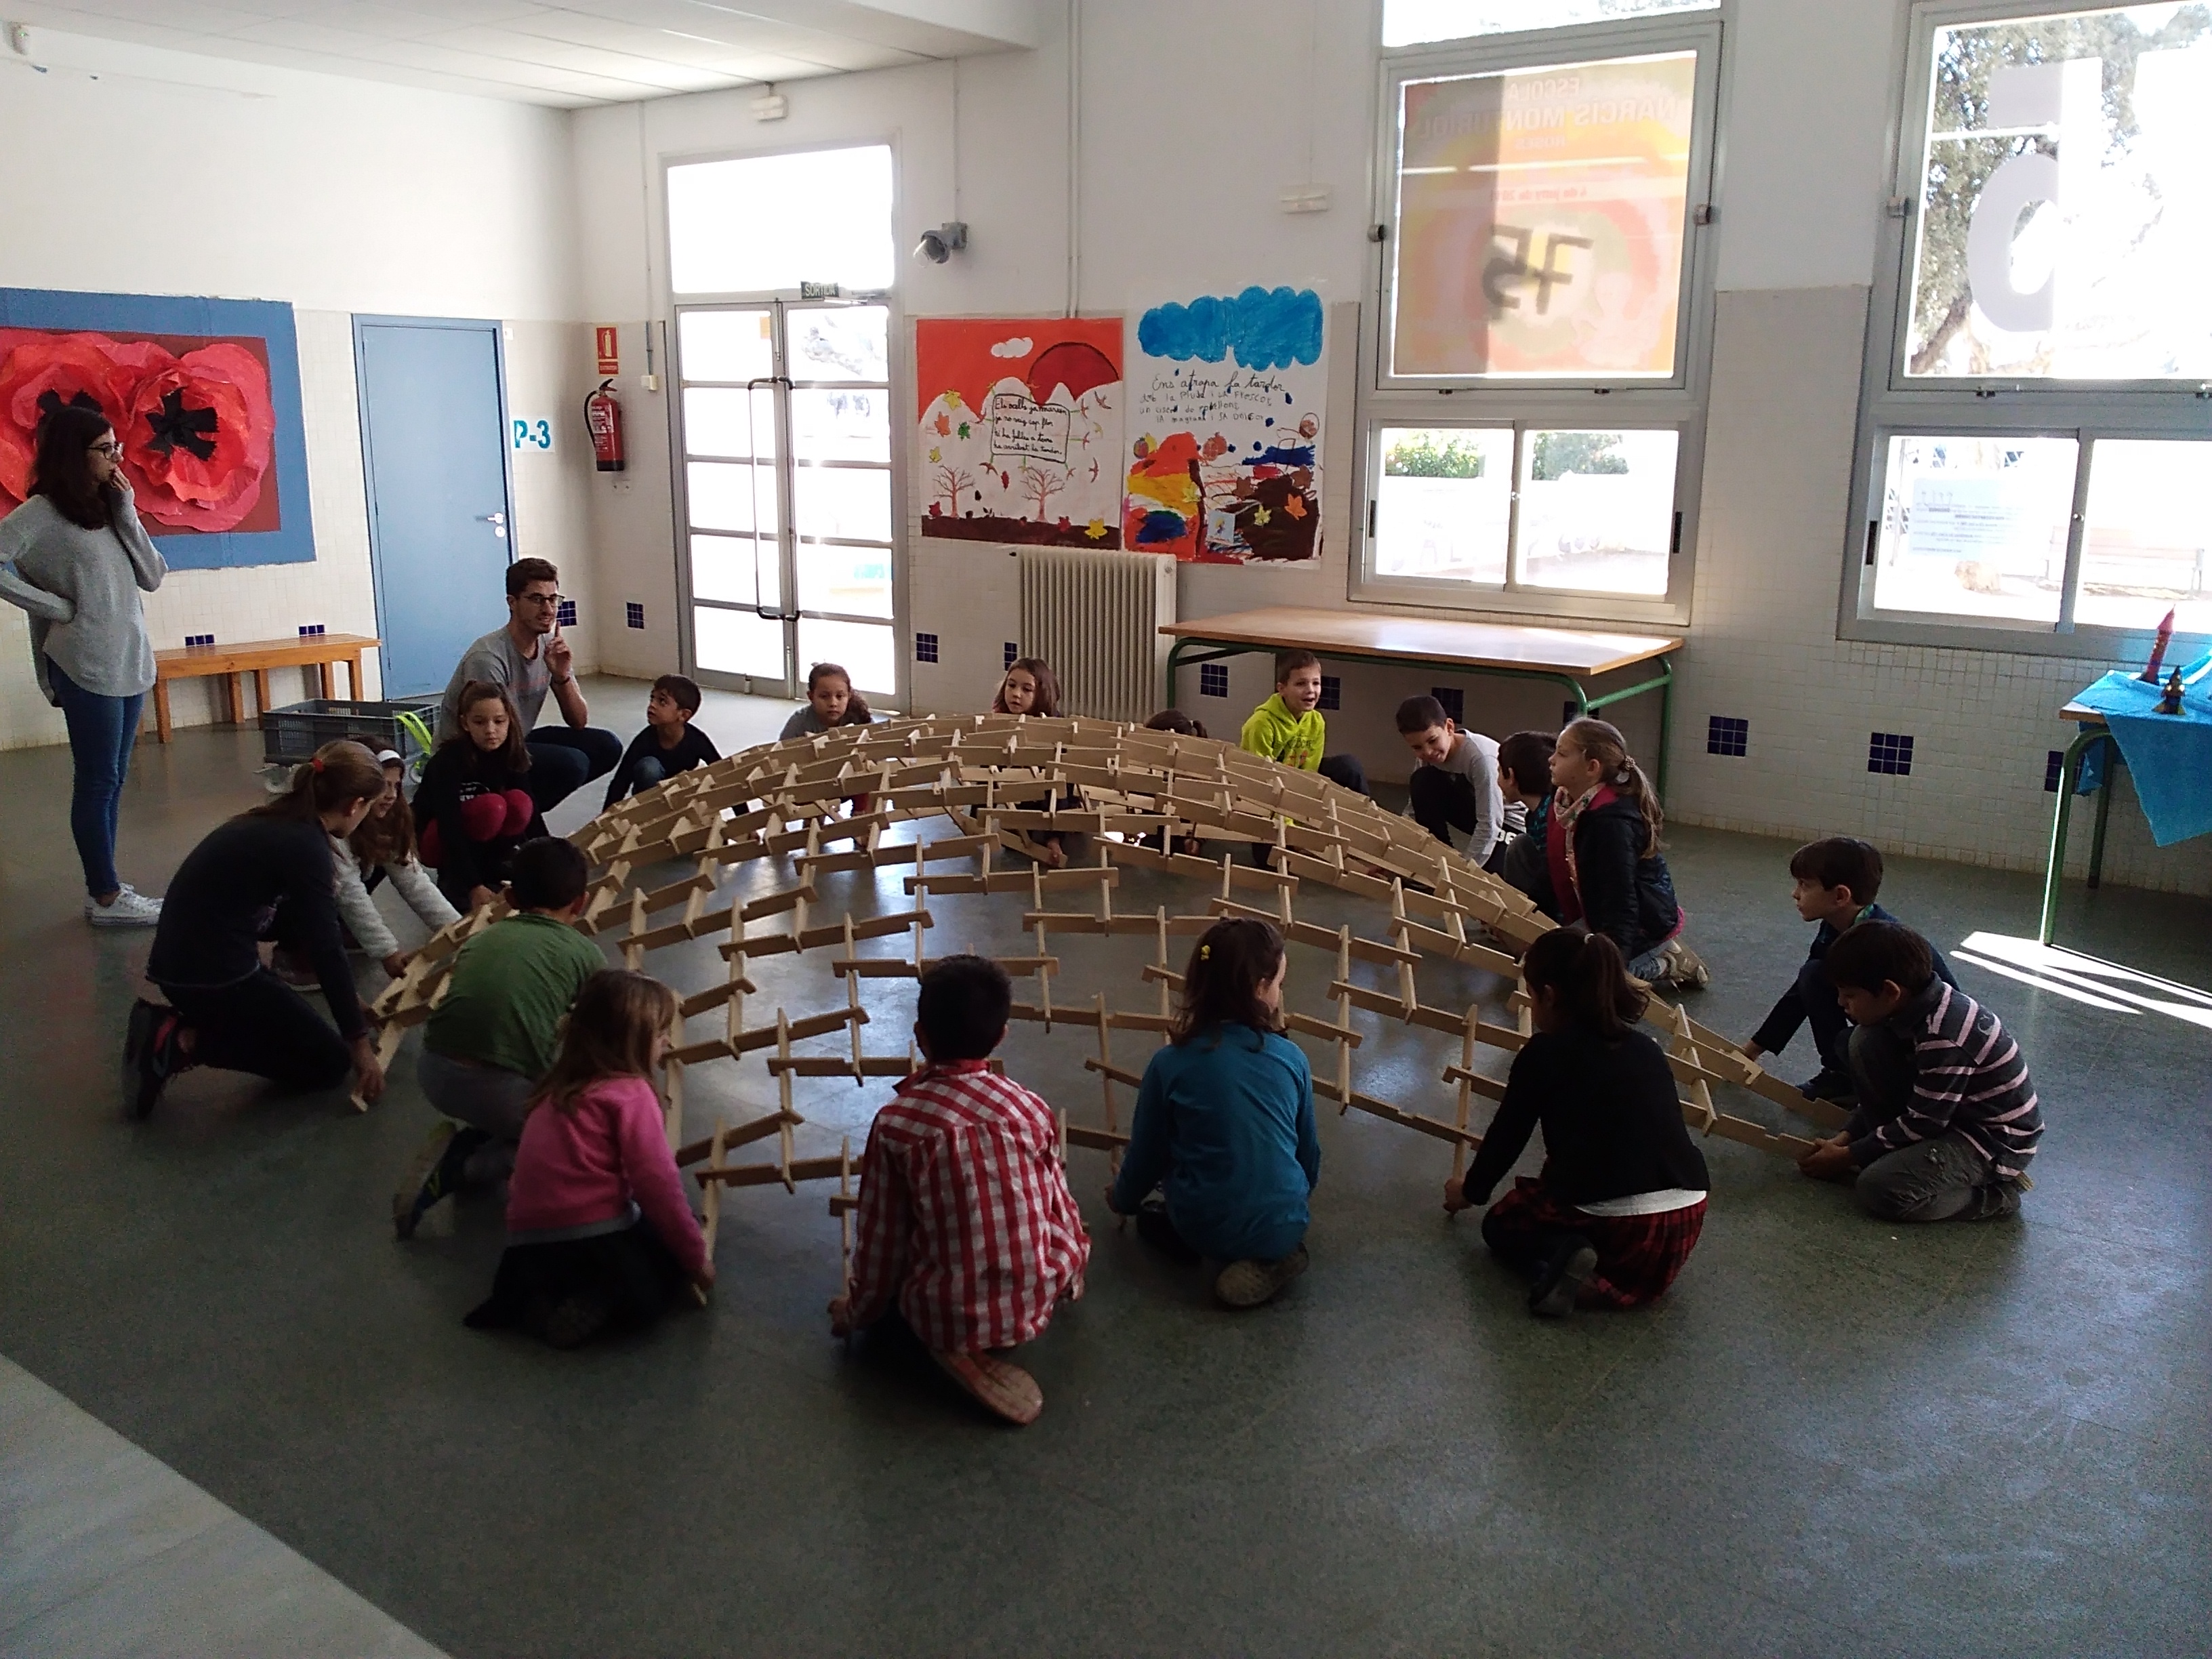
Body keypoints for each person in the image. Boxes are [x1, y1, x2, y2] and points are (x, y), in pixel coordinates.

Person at [829, 956, 1090, 1426]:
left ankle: (953, 1348)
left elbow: (882, 1242)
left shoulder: (898, 1124)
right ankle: (1017, 1310)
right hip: (1040, 1296)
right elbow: (1059, 1202)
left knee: (905, 1285)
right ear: (1002, 1035)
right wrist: (1072, 1268)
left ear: (919, 1035)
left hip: (948, 1314)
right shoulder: (1030, 1108)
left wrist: (858, 1311)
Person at [1443, 929, 1710, 1317]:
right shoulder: (1646, 1048)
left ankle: (1562, 1268)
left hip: (1618, 1222)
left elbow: (1507, 1138)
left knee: (1501, 1225)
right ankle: (1594, 1281)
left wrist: (1468, 1192)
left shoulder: (1543, 1053)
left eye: (1532, 995)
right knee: (1584, 1201)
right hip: (1683, 1219)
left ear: (1550, 996)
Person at [122, 742, 389, 1118]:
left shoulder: (282, 820)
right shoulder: (306, 845)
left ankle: (194, 1027)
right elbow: (326, 947)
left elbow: (303, 928)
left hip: (189, 965)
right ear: (354, 805)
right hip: (210, 978)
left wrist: (350, 1003)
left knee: (291, 1026)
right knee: (329, 1063)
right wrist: (359, 1043)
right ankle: (180, 1041)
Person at [464, 969, 712, 1348]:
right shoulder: (631, 1094)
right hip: (593, 1235)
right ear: (631, 1041)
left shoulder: (556, 1087)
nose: (667, 1042)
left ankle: (538, 1300)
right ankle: (601, 1297)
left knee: (559, 1266)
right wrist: (695, 1260)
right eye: (660, 1033)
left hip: (527, 1241)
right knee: (662, 1272)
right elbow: (657, 1185)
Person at [0, 405, 167, 926]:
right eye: (105, 449)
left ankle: (107, 886)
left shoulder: (109, 507)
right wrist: (55, 606)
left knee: (113, 780)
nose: (116, 458)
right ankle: (106, 897)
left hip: (129, 657)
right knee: (97, 781)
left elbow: (152, 576)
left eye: (117, 447)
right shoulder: (40, 513)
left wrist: (128, 510)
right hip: (85, 663)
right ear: (74, 455)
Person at [394, 838, 604, 1240]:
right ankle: (464, 1166)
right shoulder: (585, 954)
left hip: (433, 1071)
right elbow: (605, 1032)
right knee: (577, 1138)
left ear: (509, 897)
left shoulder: (481, 939)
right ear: (581, 903)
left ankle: (489, 1132)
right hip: (498, 1092)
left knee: (508, 1061)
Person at [1106, 918, 1319, 1309]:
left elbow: (1148, 1155)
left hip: (1202, 1226)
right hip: (1286, 1219)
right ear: (1260, 989)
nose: (1279, 993)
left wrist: (1122, 1198)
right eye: (1279, 984)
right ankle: (1275, 1254)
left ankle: (1199, 1243)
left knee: (1155, 1211)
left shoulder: (1169, 1063)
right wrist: (1291, 1197)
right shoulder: (1293, 1058)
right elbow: (1308, 1154)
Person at [1797, 921, 2041, 1223]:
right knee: (1864, 1039)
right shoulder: (1911, 1007)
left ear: (1890, 992)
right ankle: (1896, 1150)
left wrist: (1850, 1155)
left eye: (1850, 995)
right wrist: (1847, 1138)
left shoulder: (1944, 1037)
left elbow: (1924, 1122)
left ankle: (1995, 1196)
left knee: (1879, 1188)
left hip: (1991, 1142)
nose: (1841, 1003)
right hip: (1945, 1113)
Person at [1739, 837, 1957, 1104]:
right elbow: (1801, 994)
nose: (1795, 894)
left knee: (1851, 1041)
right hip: (1889, 1021)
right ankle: (1840, 1075)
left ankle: (1873, 1088)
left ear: (1840, 896)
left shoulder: (1877, 944)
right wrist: (1753, 1049)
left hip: (1927, 1048)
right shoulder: (1835, 926)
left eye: (1805, 885)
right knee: (1813, 975)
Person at [435, 557, 621, 820]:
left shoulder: (549, 644)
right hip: (473, 756)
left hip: (512, 739)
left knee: (607, 746)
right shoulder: (488, 658)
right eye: (537, 599)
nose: (548, 609)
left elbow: (578, 720)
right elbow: (489, 739)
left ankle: (520, 813)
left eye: (553, 599)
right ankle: (514, 818)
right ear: (512, 602)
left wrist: (561, 676)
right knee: (572, 764)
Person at [1547, 717, 1707, 990]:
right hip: (1600, 917)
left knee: (1583, 983)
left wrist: (1614, 964)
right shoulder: (1568, 802)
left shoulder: (1610, 823)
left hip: (1642, 927)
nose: (1551, 760)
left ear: (1592, 767)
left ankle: (1666, 961)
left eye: (1561, 754)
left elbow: (1621, 898)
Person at [413, 681, 547, 912]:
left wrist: (549, 856)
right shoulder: (447, 762)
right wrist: (473, 885)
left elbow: (532, 815)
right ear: (465, 723)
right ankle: (456, 881)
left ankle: (497, 864)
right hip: (440, 842)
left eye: (499, 721)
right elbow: (449, 827)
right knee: (491, 807)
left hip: (485, 840)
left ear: (510, 720)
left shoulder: (510, 754)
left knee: (519, 803)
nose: (490, 730)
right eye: (480, 722)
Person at [335, 744, 459, 979]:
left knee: (384, 857)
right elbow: (349, 893)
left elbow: (414, 882)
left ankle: (343, 927)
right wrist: (387, 952)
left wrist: (456, 929)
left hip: (342, 889)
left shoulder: (386, 820)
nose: (392, 795)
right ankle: (295, 948)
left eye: (396, 785)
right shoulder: (334, 825)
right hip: (287, 906)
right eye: (383, 785)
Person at [1395, 694, 1516, 867]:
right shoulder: (1429, 756)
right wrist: (1395, 848)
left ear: (1449, 727)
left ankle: (1451, 866)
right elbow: (1414, 809)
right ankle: (1438, 855)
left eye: (1433, 740)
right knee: (1422, 780)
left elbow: (1490, 823)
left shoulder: (1480, 759)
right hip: (1475, 811)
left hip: (1507, 823)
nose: (1428, 752)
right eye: (1417, 747)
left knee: (1492, 874)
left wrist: (1463, 870)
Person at [1238, 649, 1368, 798]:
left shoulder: (1317, 721)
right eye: (1301, 684)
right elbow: (1259, 775)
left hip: (1298, 781)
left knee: (1349, 766)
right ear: (1282, 689)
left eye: (1316, 683)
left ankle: (1366, 811)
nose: (1310, 690)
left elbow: (1311, 770)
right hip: (1266, 786)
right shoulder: (1261, 723)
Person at [994, 658, 1073, 865]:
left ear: (1041, 694)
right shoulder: (999, 720)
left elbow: (1061, 786)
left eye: (1027, 689)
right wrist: (978, 816)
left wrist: (1054, 838)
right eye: (1011, 685)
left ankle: (1054, 836)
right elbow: (989, 768)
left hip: (1050, 799)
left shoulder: (1055, 729)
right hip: (1018, 798)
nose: (1016, 694)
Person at [603, 674, 722, 808]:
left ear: (683, 715)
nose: (652, 705)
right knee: (649, 767)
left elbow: (722, 773)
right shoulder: (645, 740)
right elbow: (620, 782)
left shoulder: (697, 741)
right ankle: (647, 813)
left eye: (662, 702)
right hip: (648, 801)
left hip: (681, 798)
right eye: (652, 698)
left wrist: (741, 816)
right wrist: (605, 818)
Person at [1494, 730, 1558, 916]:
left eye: (1499, 772)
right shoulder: (1537, 813)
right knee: (1521, 844)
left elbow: (1552, 878)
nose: (1497, 780)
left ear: (1511, 776)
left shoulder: (1552, 816)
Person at [1142, 710, 1208, 855]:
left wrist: (1196, 840)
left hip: (1181, 842)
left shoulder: (1196, 774)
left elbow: (1204, 814)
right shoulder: (1152, 769)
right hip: (1153, 841)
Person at [779, 661, 875, 740]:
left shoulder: (861, 717)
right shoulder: (799, 722)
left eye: (840, 696)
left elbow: (877, 750)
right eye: (824, 696)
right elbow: (780, 753)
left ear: (849, 696)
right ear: (811, 697)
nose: (833, 703)